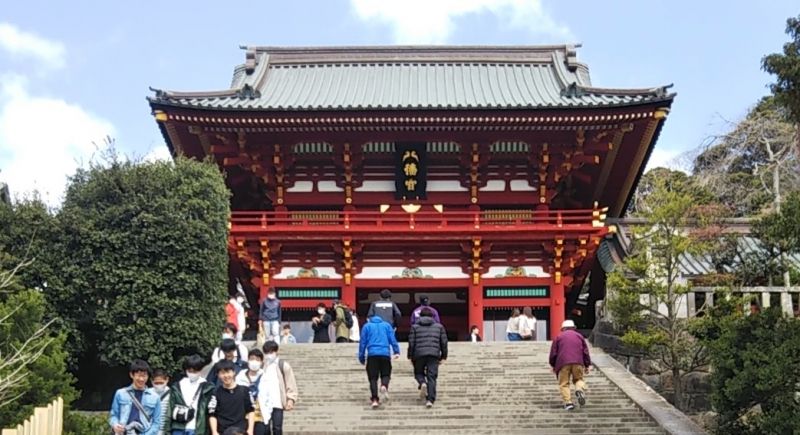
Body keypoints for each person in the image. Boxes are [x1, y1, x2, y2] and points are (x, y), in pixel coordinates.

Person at [407, 307, 448, 408]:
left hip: (419, 354)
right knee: (432, 377)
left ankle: (422, 382)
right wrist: (444, 356)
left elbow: (411, 343)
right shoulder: (439, 327)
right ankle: (430, 399)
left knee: (418, 372)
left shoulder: (415, 327)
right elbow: (444, 342)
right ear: (433, 316)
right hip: (434, 354)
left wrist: (410, 356)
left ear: (420, 316)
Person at [358, 314, 401, 409]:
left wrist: (361, 356)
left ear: (369, 319)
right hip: (385, 354)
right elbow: (392, 339)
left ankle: (374, 400)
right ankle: (384, 385)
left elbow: (363, 342)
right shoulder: (386, 325)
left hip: (372, 354)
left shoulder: (367, 326)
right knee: (386, 374)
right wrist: (396, 351)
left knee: (373, 378)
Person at [166, 354, 215, 435]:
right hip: (178, 427)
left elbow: (210, 411)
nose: (192, 373)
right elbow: (169, 410)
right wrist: (167, 431)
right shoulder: (177, 386)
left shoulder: (208, 387)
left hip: (198, 429)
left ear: (200, 370)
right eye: (189, 371)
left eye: (195, 371)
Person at [109, 359, 162, 435]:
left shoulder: (155, 397)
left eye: (144, 376)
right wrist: (115, 425)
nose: (142, 379)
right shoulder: (120, 393)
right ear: (131, 375)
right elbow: (114, 415)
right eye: (139, 375)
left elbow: (156, 423)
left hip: (144, 432)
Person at [256, 341, 298, 435]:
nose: (269, 355)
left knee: (277, 428)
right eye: (266, 353)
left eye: (271, 352)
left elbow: (290, 383)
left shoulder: (283, 365)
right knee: (265, 429)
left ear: (276, 351)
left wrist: (290, 399)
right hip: (264, 403)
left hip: (277, 402)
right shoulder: (262, 365)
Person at [548, 319, 591, 411]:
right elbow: (585, 351)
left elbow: (553, 353)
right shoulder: (580, 336)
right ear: (573, 328)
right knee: (579, 379)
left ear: (563, 328)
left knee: (564, 383)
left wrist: (552, 364)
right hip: (578, 362)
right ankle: (579, 389)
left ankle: (568, 403)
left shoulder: (559, 337)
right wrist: (587, 364)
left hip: (563, 363)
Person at [208, 360, 254, 435]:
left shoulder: (245, 390)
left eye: (228, 372)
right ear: (218, 375)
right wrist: (214, 432)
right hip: (223, 431)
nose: (226, 376)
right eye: (222, 373)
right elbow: (212, 414)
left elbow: (251, 411)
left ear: (234, 372)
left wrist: (250, 430)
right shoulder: (215, 393)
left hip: (241, 431)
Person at [235, 349, 267, 435]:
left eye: (257, 359)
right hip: (243, 416)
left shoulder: (266, 377)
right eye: (252, 359)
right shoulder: (240, 376)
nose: (254, 362)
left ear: (261, 362)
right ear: (248, 360)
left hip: (260, 416)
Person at [150, 368, 170, 435]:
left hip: (166, 430)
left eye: (161, 383)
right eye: (156, 383)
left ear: (167, 380)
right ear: (152, 381)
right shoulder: (147, 393)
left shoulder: (172, 394)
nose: (159, 385)